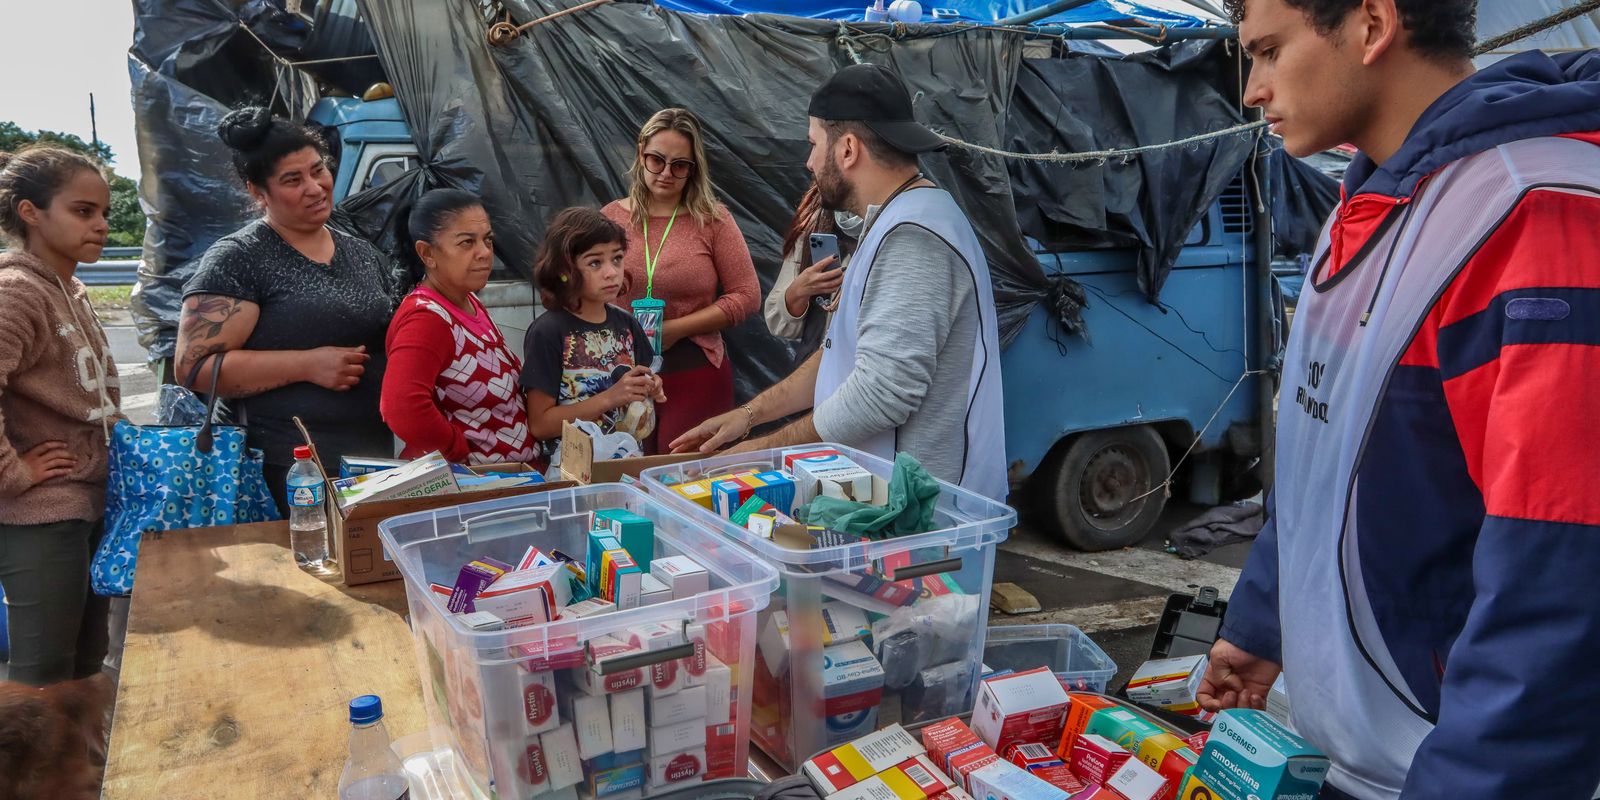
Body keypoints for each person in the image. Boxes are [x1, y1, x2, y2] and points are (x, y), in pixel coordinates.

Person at [1196, 1, 1600, 798]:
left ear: (1373, 24)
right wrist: (1262, 623)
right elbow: (1322, 450)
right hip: (1358, 753)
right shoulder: (1366, 204)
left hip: (1445, 762)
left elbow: (1563, 573)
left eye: (1270, 52)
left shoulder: (1534, 211)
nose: (1253, 89)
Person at [671, 64, 1007, 502]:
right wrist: (749, 416)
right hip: (891, 502)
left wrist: (761, 452)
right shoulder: (893, 219)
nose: (809, 161)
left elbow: (882, 394)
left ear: (847, 148)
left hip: (926, 516)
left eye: (814, 144)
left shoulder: (913, 237)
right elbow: (843, 358)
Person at [176, 107, 398, 513]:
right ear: (258, 192)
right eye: (293, 180)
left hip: (372, 461)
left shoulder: (361, 252)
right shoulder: (239, 257)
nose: (315, 187)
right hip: (288, 470)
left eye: (319, 170)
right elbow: (193, 367)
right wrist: (306, 365)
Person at [0, 146, 119, 685]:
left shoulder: (71, 288)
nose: (99, 225)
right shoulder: (16, 291)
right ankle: (29, 773)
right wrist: (12, 471)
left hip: (88, 505)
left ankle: (76, 772)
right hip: (41, 514)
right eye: (83, 211)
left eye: (103, 213)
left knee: (85, 667)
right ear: (30, 212)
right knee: (42, 680)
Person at [601, 108, 759, 451]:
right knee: (624, 476)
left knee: (682, 477)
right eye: (656, 160)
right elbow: (580, 289)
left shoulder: (712, 219)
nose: (667, 173)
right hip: (621, 374)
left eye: (680, 165)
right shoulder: (610, 218)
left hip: (693, 370)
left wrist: (676, 329)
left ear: (693, 169)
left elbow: (747, 295)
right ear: (641, 153)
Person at [380, 189, 537, 465]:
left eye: (487, 240)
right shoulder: (426, 319)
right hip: (469, 492)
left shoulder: (469, 302)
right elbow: (401, 407)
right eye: (467, 243)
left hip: (504, 485)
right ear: (427, 253)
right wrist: (457, 451)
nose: (484, 253)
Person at [522, 208, 665, 465]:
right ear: (564, 270)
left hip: (626, 467)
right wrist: (609, 398)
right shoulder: (548, 332)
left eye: (617, 259)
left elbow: (644, 377)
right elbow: (540, 424)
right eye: (595, 262)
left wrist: (651, 387)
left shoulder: (628, 324)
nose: (611, 272)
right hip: (570, 475)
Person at [762, 182, 860, 365]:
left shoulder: (896, 224)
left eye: (817, 151)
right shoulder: (819, 219)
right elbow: (777, 322)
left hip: (859, 373)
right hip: (814, 370)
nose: (810, 162)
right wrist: (799, 290)